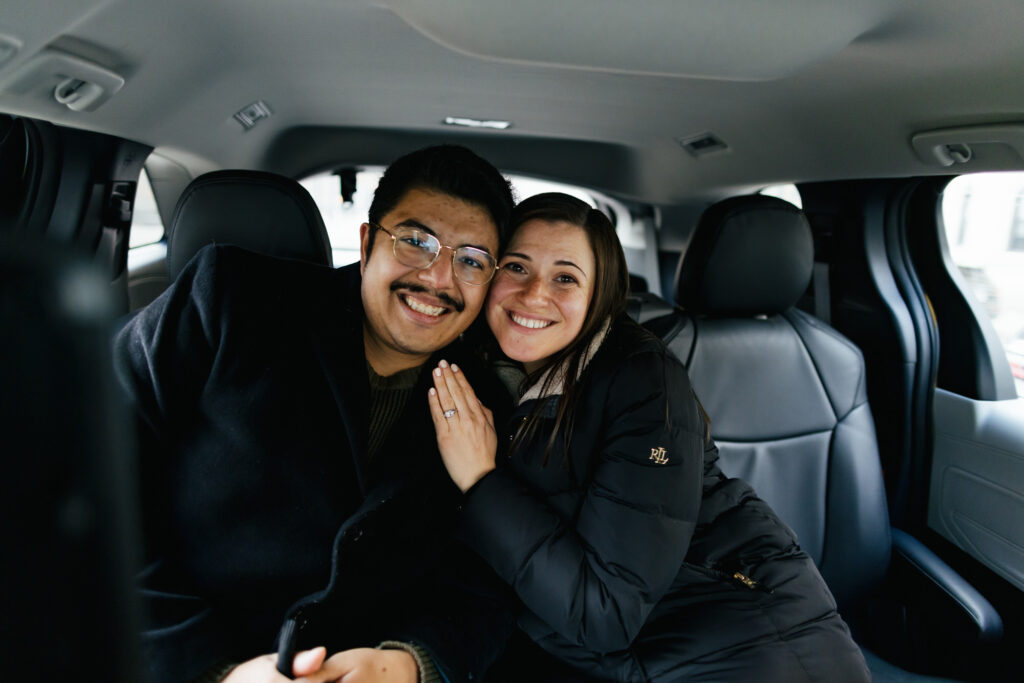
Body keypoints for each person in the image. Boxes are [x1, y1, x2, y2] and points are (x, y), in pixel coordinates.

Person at [114, 145, 518, 683]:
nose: (439, 279)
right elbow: (88, 478)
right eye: (416, 242)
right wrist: (213, 671)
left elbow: (483, 584)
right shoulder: (231, 298)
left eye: (470, 259)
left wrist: (408, 663)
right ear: (369, 241)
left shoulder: (488, 404)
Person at [427, 192, 872, 681]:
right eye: (516, 267)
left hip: (752, 649)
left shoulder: (643, 380)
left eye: (565, 278)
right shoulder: (490, 370)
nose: (534, 294)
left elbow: (605, 616)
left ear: (599, 296)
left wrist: (482, 480)